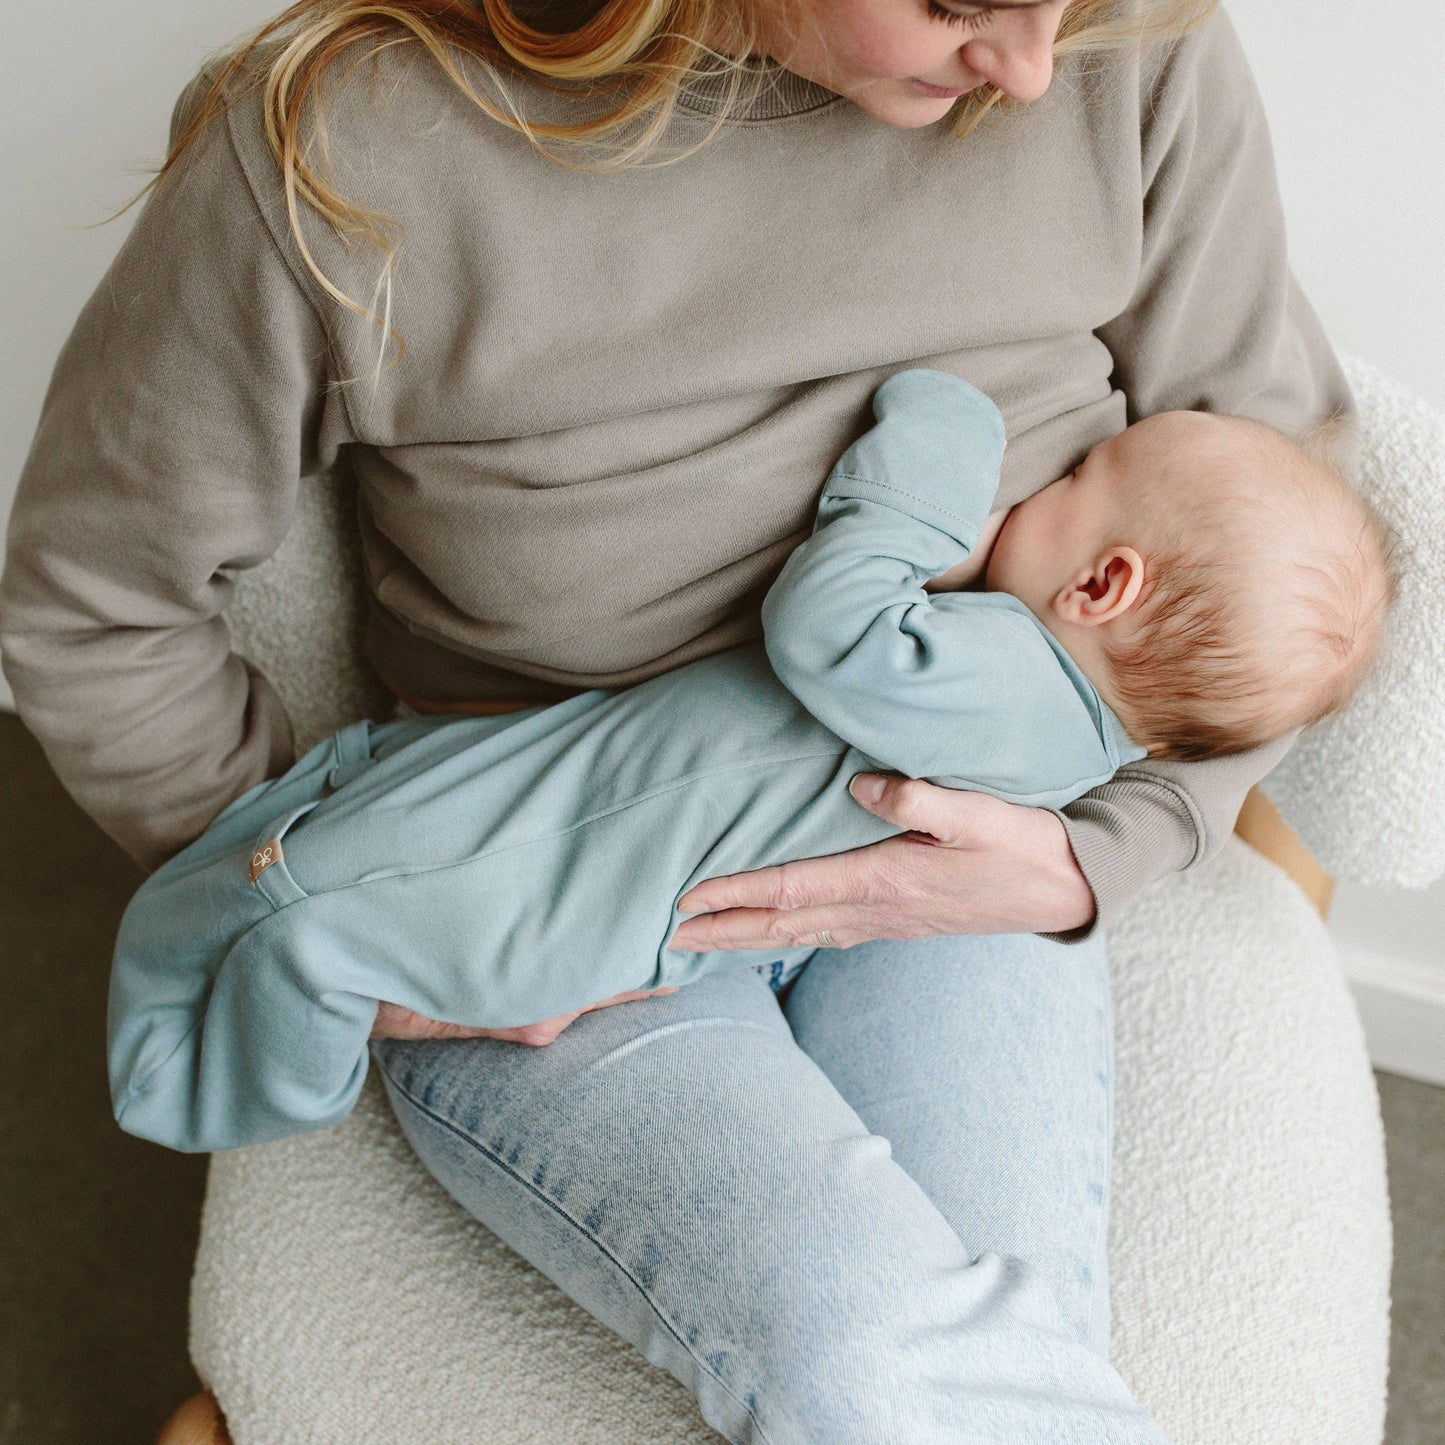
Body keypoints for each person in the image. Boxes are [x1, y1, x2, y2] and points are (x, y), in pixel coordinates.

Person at [0, 0, 1362, 1438]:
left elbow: (1278, 509)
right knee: (873, 1356)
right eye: (960, 4)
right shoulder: (341, 153)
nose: (1031, 70)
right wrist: (350, 888)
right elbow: (96, 604)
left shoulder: (1126, 44)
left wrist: (1099, 852)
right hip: (558, 875)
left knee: (973, 1370)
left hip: (964, 854)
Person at [107, 369, 1390, 1154]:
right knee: (352, 855)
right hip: (618, 846)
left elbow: (829, 626)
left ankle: (245, 1074)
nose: (1044, 478)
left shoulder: (1010, 686)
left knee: (316, 917)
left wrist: (937, 442)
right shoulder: (1075, 740)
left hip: (584, 875)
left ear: (1101, 583)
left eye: (1079, 477)